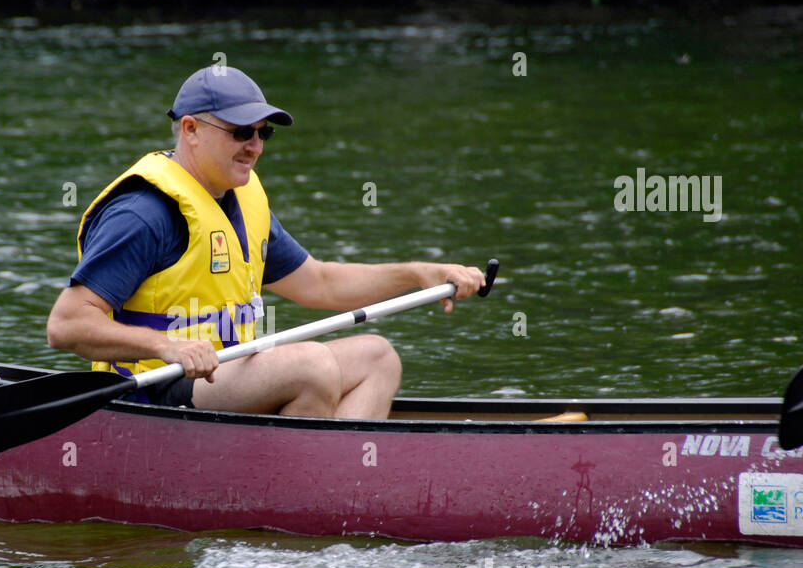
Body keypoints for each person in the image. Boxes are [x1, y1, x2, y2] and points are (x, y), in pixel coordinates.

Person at [46, 66, 485, 419]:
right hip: (155, 389)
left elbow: (321, 284)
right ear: (192, 129)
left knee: (378, 357)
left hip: (227, 378)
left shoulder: (240, 199)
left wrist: (418, 275)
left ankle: (345, 482)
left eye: (263, 133)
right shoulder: (143, 213)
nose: (255, 147)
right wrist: (166, 347)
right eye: (241, 132)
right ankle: (308, 495)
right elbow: (66, 325)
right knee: (310, 367)